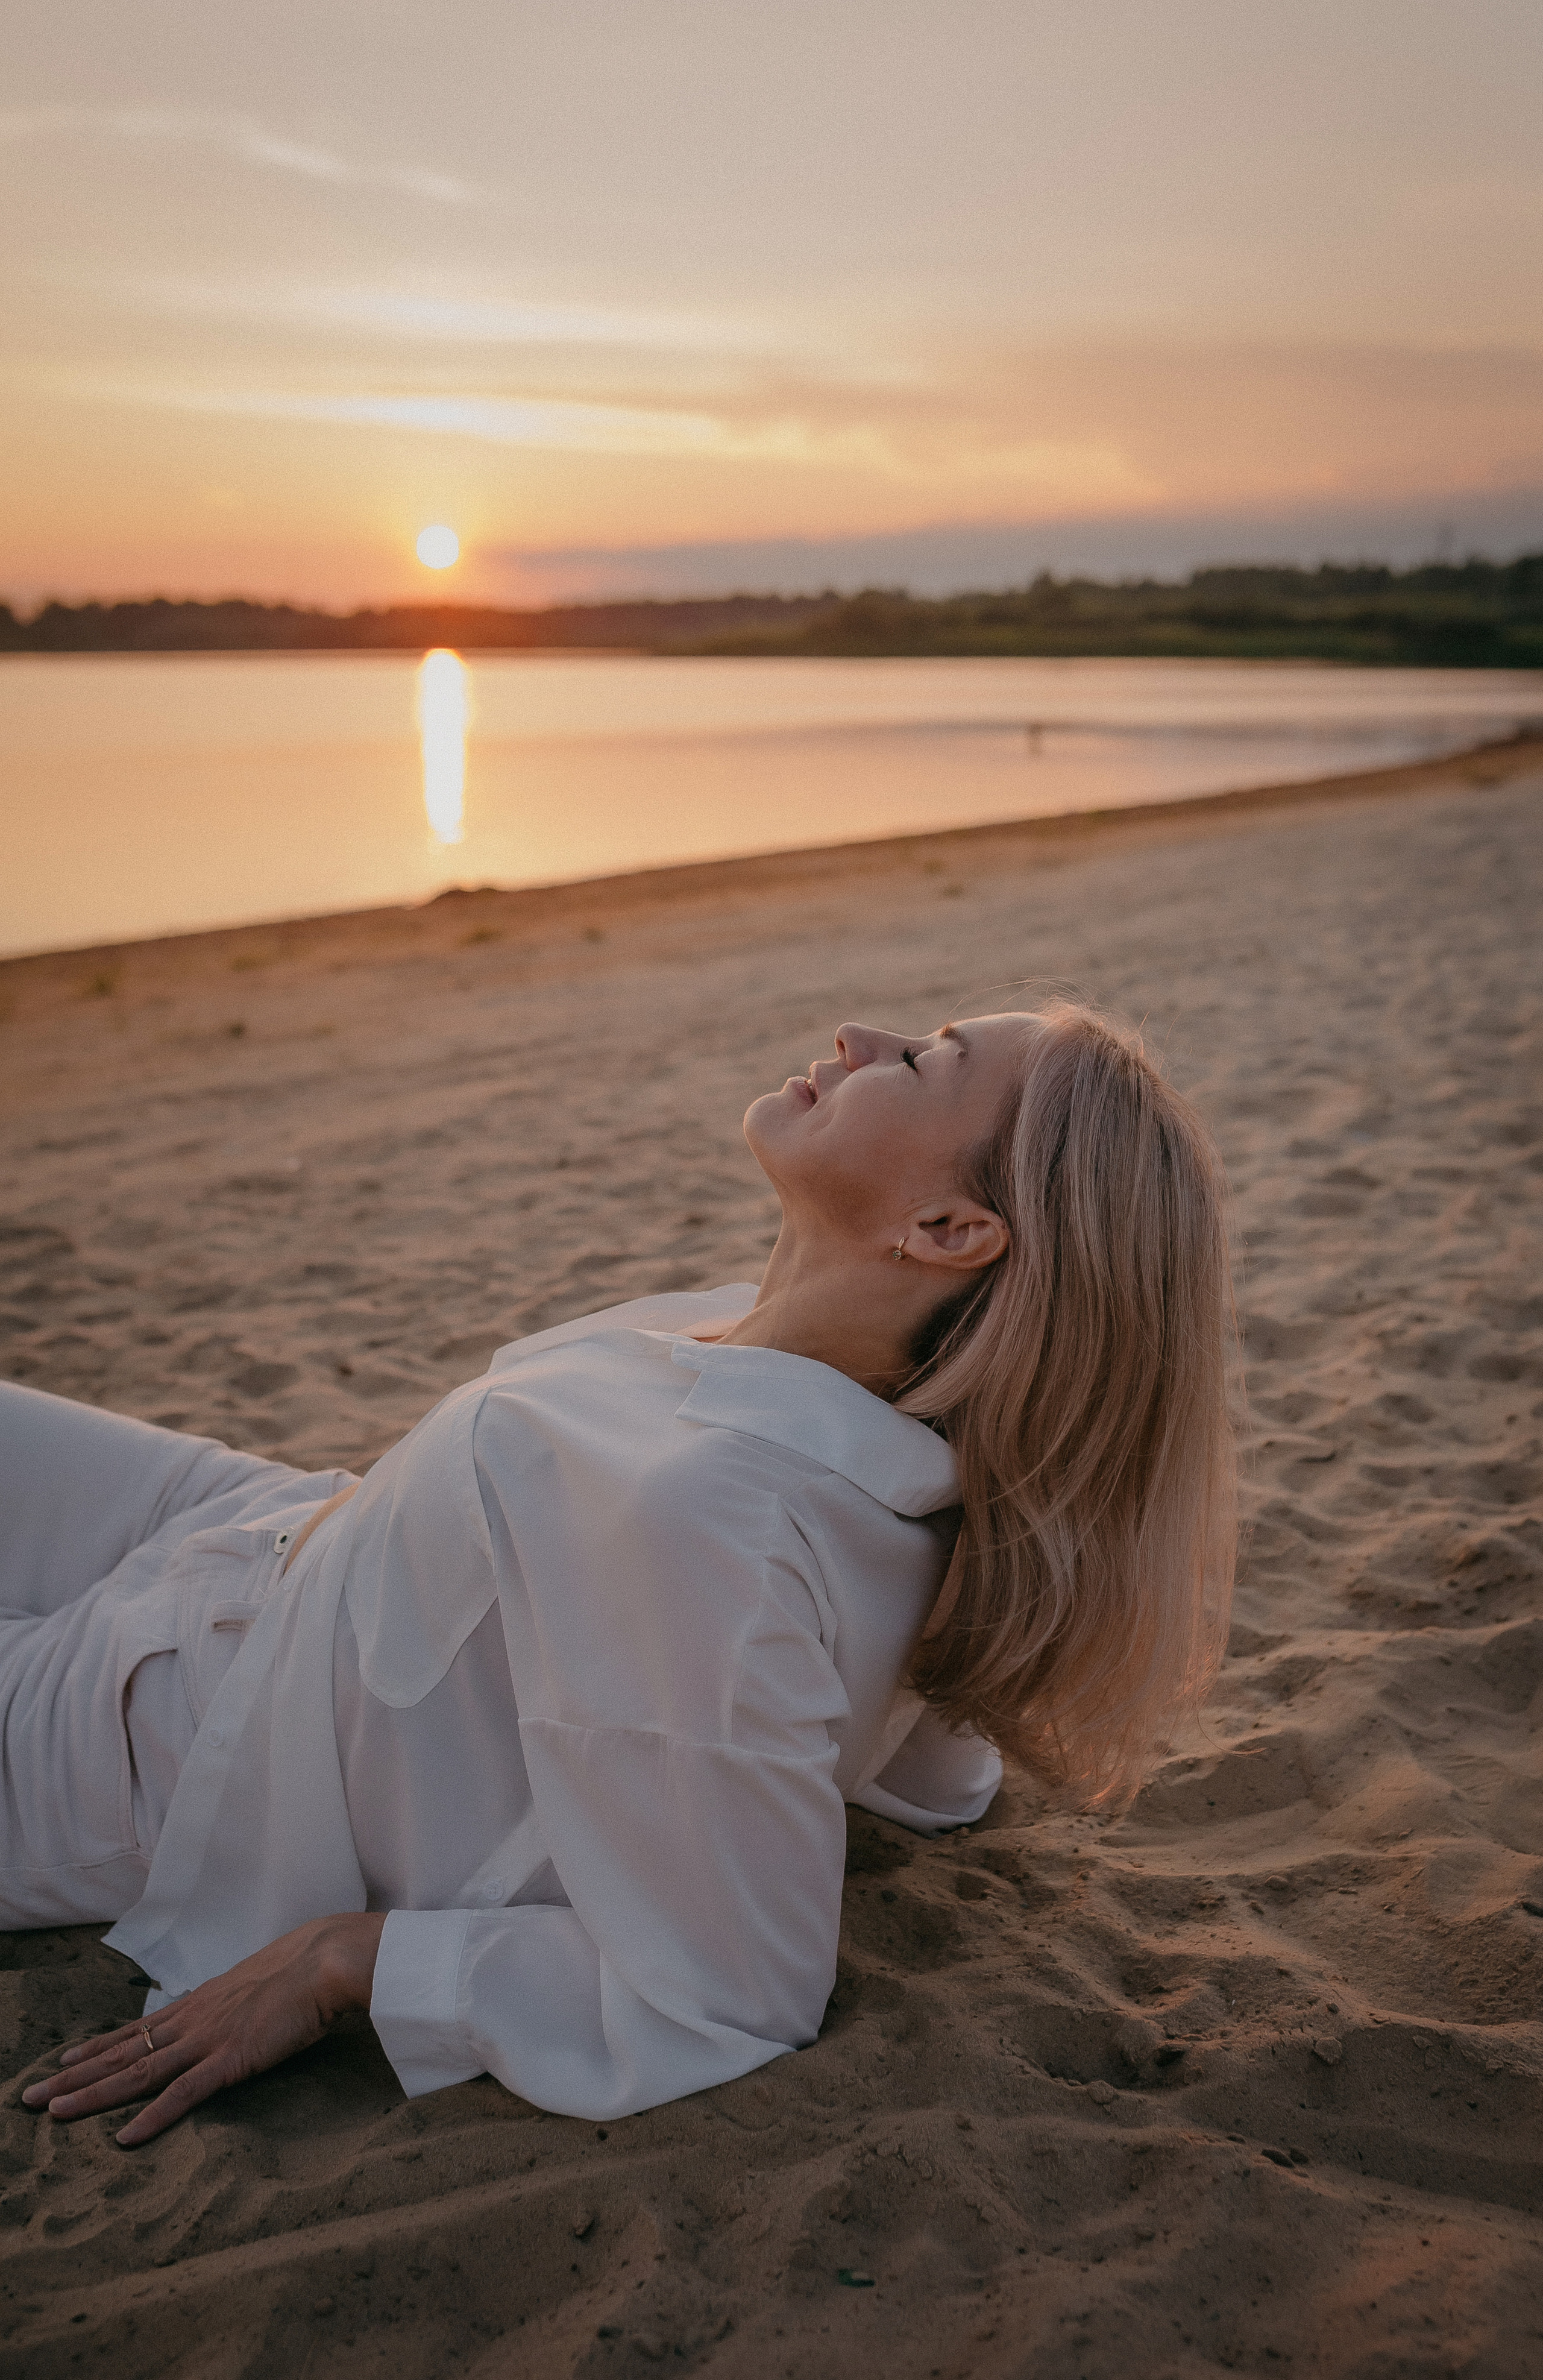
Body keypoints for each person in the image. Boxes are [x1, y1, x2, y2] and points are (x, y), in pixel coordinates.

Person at [9, 1003, 1236, 2146]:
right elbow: (916, 1756)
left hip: (152, 1732)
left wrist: (347, 1959)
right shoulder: (860, 1425)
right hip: (257, 1529)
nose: (863, 1035)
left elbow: (722, 1997)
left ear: (948, 1232)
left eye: (921, 1060)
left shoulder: (712, 1524)